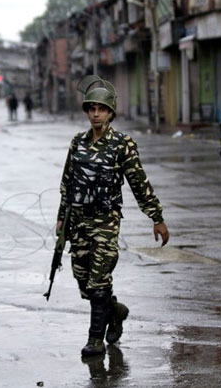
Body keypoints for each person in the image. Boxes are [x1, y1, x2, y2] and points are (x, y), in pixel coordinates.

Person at [55, 75, 169, 358]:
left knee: (98, 280)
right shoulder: (77, 143)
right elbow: (67, 183)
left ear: (110, 112)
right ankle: (115, 311)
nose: (96, 114)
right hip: (78, 221)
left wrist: (156, 217)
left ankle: (95, 341)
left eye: (101, 109)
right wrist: (61, 219)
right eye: (91, 108)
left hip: (105, 222)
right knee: (83, 281)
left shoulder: (122, 144)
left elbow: (138, 182)